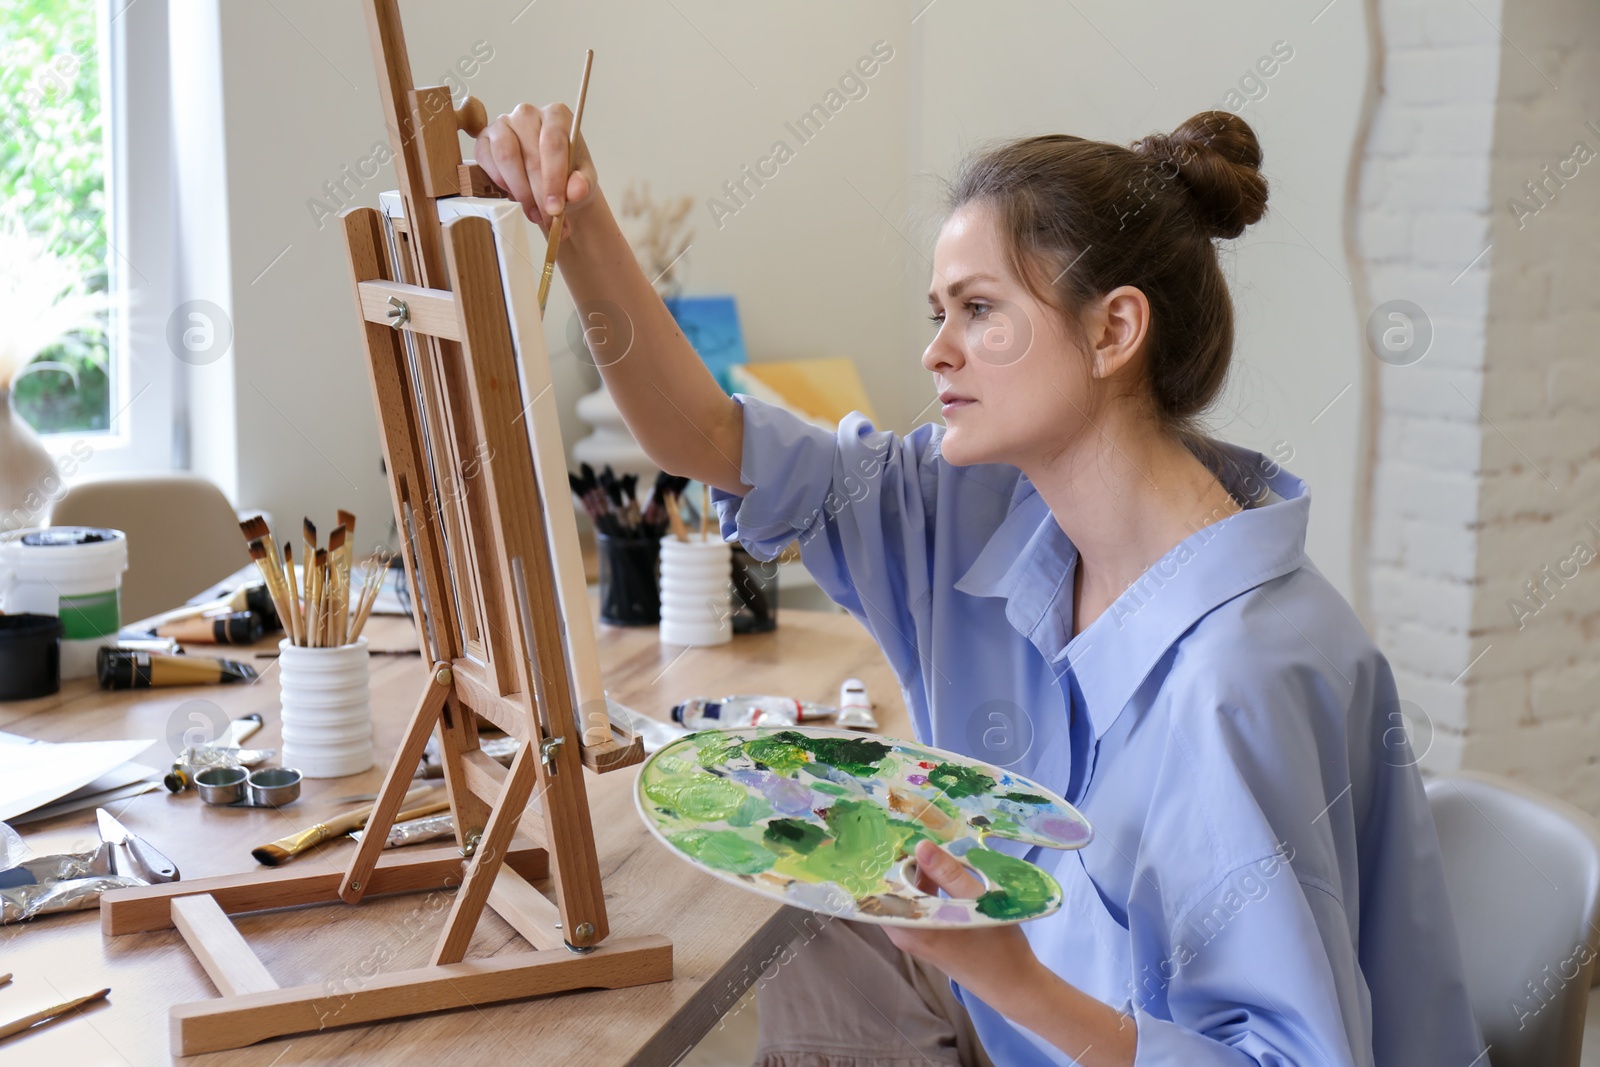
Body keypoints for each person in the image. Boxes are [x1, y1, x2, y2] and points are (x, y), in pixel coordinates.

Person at [475, 103, 1486, 1066]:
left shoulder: (1243, 676)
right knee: (809, 918)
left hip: (1079, 1033)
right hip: (1027, 1029)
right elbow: (704, 435)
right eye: (937, 311)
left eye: (978, 309)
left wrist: (1013, 979)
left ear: (1112, 331)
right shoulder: (980, 508)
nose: (934, 349)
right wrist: (578, 212)